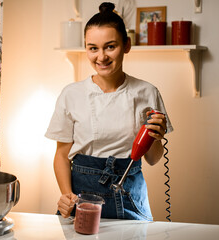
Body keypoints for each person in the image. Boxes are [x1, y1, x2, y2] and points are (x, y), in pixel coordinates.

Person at [45, 2, 173, 220]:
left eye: (110, 46)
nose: (101, 57)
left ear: (127, 45)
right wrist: (67, 196)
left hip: (130, 197)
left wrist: (156, 138)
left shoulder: (148, 92)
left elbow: (153, 159)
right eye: (93, 48)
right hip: (81, 198)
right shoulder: (71, 94)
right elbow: (61, 156)